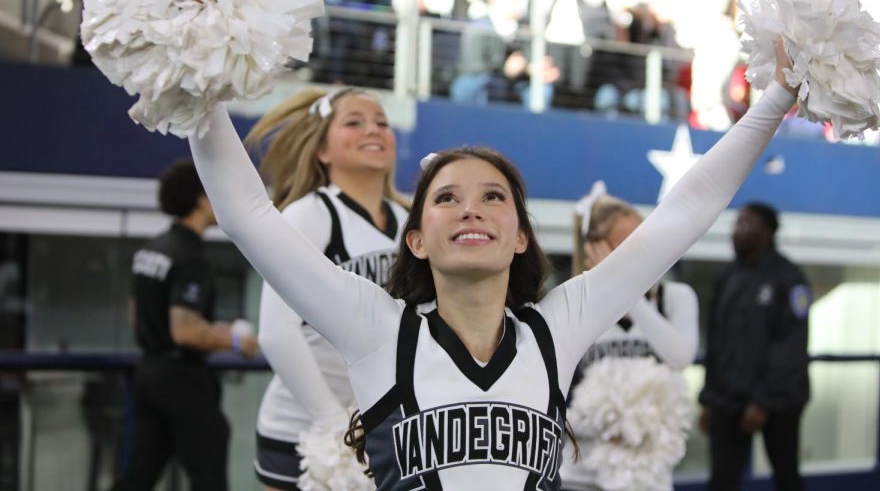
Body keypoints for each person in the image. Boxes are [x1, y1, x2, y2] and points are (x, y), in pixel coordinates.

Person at [184, 39, 797, 488]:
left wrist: (774, 99)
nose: (470, 210)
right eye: (446, 198)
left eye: (493, 197)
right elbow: (246, 215)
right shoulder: (375, 329)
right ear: (417, 239)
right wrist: (193, 71)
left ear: (521, 237)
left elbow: (684, 211)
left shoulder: (557, 328)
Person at [246, 88, 409, 490]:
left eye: (382, 123)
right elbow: (276, 331)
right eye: (354, 122)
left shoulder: (410, 221)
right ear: (322, 150)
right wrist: (333, 425)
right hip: (306, 432)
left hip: (383, 430)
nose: (374, 130)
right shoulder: (310, 213)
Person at [111, 159, 258, 491]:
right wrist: (236, 340)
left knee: (140, 473)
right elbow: (185, 331)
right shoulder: (191, 256)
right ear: (202, 198)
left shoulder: (153, 248)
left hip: (147, 372)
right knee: (209, 470)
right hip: (180, 378)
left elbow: (137, 314)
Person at [562, 189, 699, 489]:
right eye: (629, 245)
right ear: (596, 250)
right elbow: (556, 405)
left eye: (646, 240)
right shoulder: (574, 305)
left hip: (647, 477)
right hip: (579, 476)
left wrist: (629, 292)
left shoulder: (676, 298)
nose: (644, 252)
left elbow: (681, 358)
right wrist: (611, 424)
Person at [699, 202, 810, 491]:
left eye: (745, 223)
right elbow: (715, 341)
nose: (737, 230)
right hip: (728, 399)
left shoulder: (789, 278)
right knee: (722, 480)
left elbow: (790, 347)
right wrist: (709, 398)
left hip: (779, 400)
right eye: (736, 223)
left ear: (768, 231)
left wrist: (762, 401)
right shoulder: (727, 277)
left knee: (787, 477)